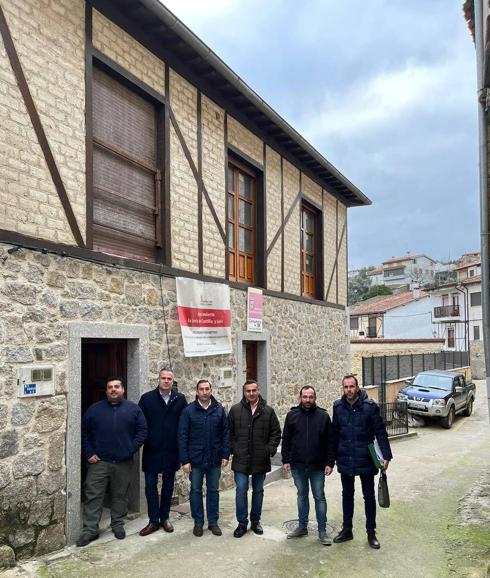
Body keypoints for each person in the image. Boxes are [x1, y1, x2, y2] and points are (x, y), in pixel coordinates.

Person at [77, 377, 147, 546]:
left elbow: (143, 430)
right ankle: (90, 530)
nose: (113, 390)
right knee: (93, 495)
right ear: (106, 391)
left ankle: (117, 524)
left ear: (123, 389)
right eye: (110, 387)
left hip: (123, 462)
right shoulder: (95, 410)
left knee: (120, 495)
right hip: (98, 462)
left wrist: (131, 448)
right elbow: (84, 432)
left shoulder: (133, 409)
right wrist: (89, 453)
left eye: (117, 387)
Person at [332, 374, 393, 549]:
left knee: (369, 497)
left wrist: (386, 456)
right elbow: (334, 434)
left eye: (352, 386)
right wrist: (331, 458)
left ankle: (371, 532)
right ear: (343, 388)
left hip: (366, 458)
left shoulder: (369, 407)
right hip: (345, 458)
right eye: (346, 387)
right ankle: (347, 530)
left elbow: (380, 432)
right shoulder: (337, 407)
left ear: (357, 387)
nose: (349, 390)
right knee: (347, 496)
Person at [282, 386, 335, 546]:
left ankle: (322, 531)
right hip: (298, 465)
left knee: (319, 497)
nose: (307, 400)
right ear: (300, 398)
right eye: (305, 397)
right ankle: (302, 527)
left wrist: (330, 463)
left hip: (318, 466)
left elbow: (330, 442)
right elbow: (286, 439)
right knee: (301, 496)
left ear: (315, 398)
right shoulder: (292, 415)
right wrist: (285, 460)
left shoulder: (323, 416)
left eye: (310, 397)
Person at [228, 380, 281, 538]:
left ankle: (255, 521)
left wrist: (269, 450)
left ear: (258, 391)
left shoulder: (268, 411)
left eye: (254, 390)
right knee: (241, 490)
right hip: (241, 459)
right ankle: (242, 523)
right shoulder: (235, 410)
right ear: (244, 392)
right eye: (248, 391)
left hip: (260, 459)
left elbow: (276, 433)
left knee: (258, 491)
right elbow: (228, 433)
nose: (251, 393)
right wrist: (234, 449)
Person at [138, 367, 187, 536]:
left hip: (172, 450)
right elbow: (140, 424)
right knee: (150, 487)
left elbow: (184, 425)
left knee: (168, 486)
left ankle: (165, 517)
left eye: (169, 379)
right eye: (163, 378)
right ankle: (153, 520)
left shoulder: (180, 400)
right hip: (152, 449)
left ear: (172, 381)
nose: (166, 381)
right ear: (158, 380)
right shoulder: (147, 399)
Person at [178, 379, 230, 537]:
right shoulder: (188, 411)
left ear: (211, 391)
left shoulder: (219, 410)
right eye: (201, 389)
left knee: (213, 491)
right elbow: (182, 436)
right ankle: (198, 522)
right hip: (195, 459)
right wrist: (185, 460)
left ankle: (213, 522)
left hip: (214, 458)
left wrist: (225, 455)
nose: (205, 392)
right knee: (195, 491)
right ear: (197, 392)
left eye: (207, 389)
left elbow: (225, 434)